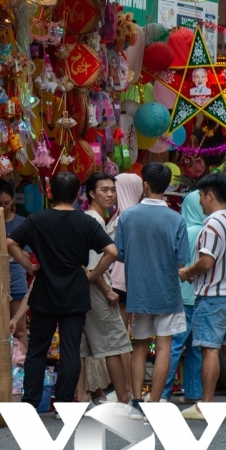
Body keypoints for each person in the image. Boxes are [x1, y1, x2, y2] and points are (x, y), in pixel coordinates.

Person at [6, 171, 117, 410]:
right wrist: (92, 273)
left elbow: (10, 243)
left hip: (44, 291)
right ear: (78, 194)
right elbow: (112, 252)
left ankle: (31, 402)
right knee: (70, 350)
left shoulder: (37, 219)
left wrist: (30, 266)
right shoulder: (85, 221)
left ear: (49, 192)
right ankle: (65, 404)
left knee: (37, 349)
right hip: (75, 293)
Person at [114, 162, 189, 413]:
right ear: (167, 186)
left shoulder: (127, 216)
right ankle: (155, 402)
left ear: (144, 184)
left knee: (140, 344)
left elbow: (120, 253)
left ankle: (137, 401)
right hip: (167, 290)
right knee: (164, 345)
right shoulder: (177, 219)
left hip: (138, 290)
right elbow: (182, 259)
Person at [178, 173, 226, 420]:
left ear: (210, 195)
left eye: (200, 195)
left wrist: (188, 271)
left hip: (212, 297)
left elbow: (206, 261)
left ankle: (205, 405)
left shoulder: (211, 225)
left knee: (209, 350)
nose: (199, 202)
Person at [78, 172, 135, 404]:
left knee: (81, 347)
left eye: (112, 190)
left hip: (83, 292)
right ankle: (123, 398)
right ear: (91, 194)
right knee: (114, 343)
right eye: (104, 190)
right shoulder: (94, 221)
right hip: (97, 293)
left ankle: (82, 397)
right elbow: (91, 266)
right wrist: (107, 289)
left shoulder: (91, 219)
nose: (110, 194)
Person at [160, 190, 204, 404]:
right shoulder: (209, 230)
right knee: (196, 348)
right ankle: (194, 393)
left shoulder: (183, 231)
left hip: (181, 296)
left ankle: (163, 392)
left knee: (173, 346)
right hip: (201, 296)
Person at [0, 180, 29, 347]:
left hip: (16, 278)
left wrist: (10, 248)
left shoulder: (22, 223)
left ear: (13, 200)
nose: (3, 207)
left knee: (19, 331)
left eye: (7, 203)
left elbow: (27, 255)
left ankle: (23, 370)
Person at [109, 172, 144, 330]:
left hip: (119, 281)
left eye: (114, 189)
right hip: (126, 280)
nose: (110, 194)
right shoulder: (134, 216)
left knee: (119, 331)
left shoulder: (125, 218)